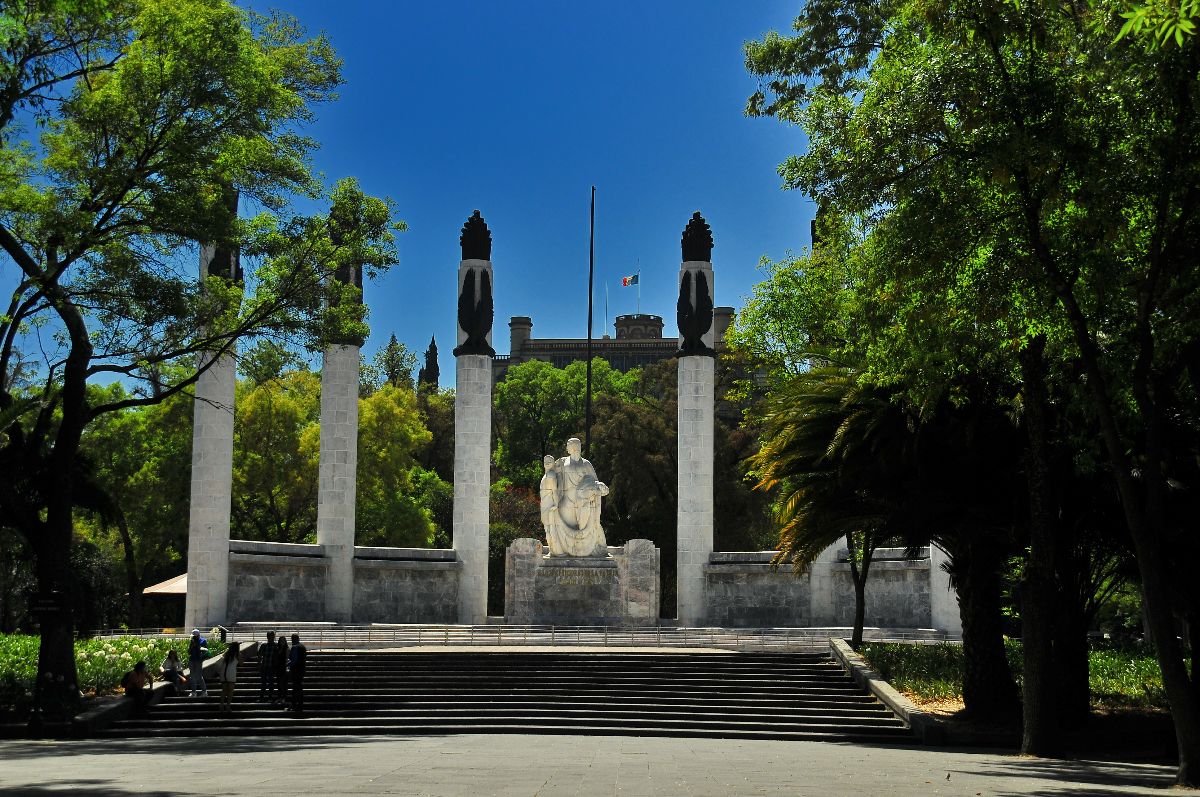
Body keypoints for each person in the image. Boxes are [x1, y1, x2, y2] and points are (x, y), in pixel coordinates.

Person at [547, 437, 610, 556]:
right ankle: (562, 550)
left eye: (575, 445)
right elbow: (551, 475)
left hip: (583, 502)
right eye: (572, 445)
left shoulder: (586, 464)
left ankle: (594, 549)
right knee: (567, 530)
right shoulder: (562, 463)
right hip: (566, 502)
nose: (572, 448)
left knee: (588, 528)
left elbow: (594, 481)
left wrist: (600, 486)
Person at [217, 642, 244, 713]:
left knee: (224, 690)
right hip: (231, 673)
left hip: (223, 672)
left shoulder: (227, 653)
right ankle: (228, 706)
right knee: (230, 691)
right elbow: (241, 664)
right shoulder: (238, 654)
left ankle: (221, 705)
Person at [286, 633, 307, 713]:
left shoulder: (294, 647)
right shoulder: (303, 647)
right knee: (299, 689)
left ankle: (294, 705)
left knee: (295, 688)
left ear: (292, 639)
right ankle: (299, 705)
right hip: (301, 670)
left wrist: (287, 665)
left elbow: (294, 660)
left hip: (296, 671)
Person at [187, 628, 208, 697]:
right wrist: (192, 646)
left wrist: (200, 651)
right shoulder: (192, 641)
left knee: (199, 676)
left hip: (198, 660)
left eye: (195, 636)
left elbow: (206, 651)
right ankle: (193, 692)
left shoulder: (203, 641)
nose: (194, 637)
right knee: (192, 676)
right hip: (192, 660)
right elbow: (189, 652)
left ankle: (204, 691)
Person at [257, 631, 277, 702]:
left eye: (273, 636)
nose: (272, 637)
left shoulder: (276, 645)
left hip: (272, 667)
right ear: (267, 637)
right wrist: (259, 665)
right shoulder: (264, 645)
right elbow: (259, 655)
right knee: (263, 683)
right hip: (264, 666)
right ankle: (261, 697)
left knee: (270, 683)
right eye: (270, 636)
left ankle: (270, 698)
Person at [273, 634, 289, 706]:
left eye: (283, 641)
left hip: (284, 667)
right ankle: (279, 697)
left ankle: (284, 697)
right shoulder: (277, 648)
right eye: (281, 641)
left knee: (283, 683)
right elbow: (276, 656)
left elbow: (287, 659)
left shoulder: (287, 648)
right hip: (278, 667)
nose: (282, 642)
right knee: (279, 682)